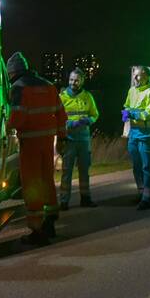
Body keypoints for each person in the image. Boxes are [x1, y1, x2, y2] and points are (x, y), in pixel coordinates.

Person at [6, 52, 67, 245]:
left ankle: (37, 230)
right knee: (46, 179)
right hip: (47, 141)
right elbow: (61, 114)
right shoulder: (48, 85)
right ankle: (50, 219)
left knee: (32, 184)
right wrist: (62, 138)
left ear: (12, 72)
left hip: (30, 143)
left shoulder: (18, 87)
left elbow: (18, 117)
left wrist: (5, 128)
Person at [58, 68, 99, 210]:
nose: (73, 82)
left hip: (83, 140)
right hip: (68, 139)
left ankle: (85, 198)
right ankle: (64, 201)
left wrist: (88, 120)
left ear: (82, 81)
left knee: (84, 171)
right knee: (66, 172)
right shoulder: (62, 97)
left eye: (76, 80)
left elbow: (95, 114)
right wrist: (70, 124)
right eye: (71, 80)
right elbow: (56, 117)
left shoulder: (87, 96)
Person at [123, 66, 150, 210]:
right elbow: (127, 105)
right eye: (134, 75)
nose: (135, 78)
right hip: (133, 133)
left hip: (146, 134)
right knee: (136, 165)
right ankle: (141, 192)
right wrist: (125, 112)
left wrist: (132, 114)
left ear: (146, 77)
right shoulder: (132, 90)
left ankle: (147, 197)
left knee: (147, 166)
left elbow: (149, 114)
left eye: (138, 76)